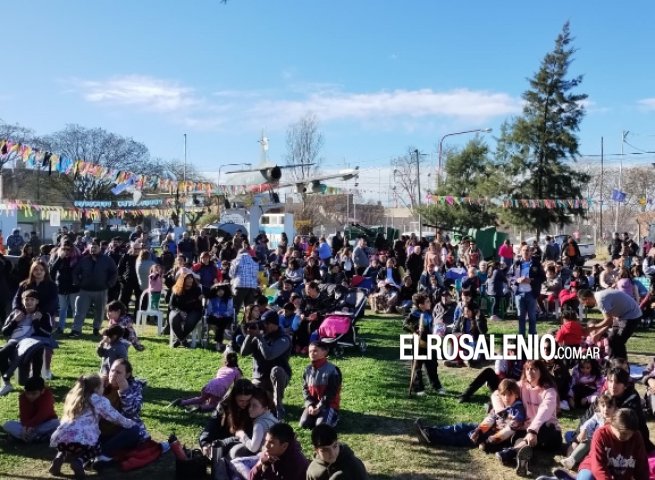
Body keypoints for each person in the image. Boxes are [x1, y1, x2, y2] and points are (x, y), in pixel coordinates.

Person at [48, 374, 135, 480]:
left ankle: (59, 457)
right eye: (102, 386)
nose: (103, 389)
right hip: (84, 435)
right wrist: (129, 423)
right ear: (96, 388)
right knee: (96, 448)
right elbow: (113, 416)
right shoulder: (99, 400)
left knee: (68, 443)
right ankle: (79, 461)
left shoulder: (74, 397)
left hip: (63, 435)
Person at [494, 360, 561, 477]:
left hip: (549, 433)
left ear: (542, 371)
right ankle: (523, 460)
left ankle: (512, 452)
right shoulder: (521, 386)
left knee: (543, 430)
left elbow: (544, 412)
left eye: (534, 369)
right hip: (528, 432)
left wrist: (533, 430)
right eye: (527, 369)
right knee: (517, 437)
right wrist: (501, 410)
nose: (530, 372)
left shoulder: (549, 391)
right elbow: (496, 394)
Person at [240, 310, 292, 420]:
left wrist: (259, 337)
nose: (262, 326)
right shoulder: (261, 334)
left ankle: (278, 405)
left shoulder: (284, 338)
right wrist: (250, 335)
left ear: (274, 324)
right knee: (246, 396)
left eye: (265, 323)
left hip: (278, 377)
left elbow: (269, 355)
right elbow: (243, 352)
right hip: (260, 378)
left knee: (276, 370)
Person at [0, 289, 52, 396]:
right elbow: (5, 332)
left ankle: (36, 383)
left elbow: (47, 334)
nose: (28, 302)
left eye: (32, 299)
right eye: (26, 299)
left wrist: (36, 322)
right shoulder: (16, 312)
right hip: (14, 342)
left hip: (32, 343)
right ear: (22, 300)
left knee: (38, 348)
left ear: (37, 301)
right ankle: (7, 383)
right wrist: (14, 321)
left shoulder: (43, 315)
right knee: (2, 354)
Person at [557, 393, 616, 471]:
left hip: (601, 446)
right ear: (599, 406)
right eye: (603, 406)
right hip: (589, 440)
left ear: (615, 408)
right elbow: (588, 423)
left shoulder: (615, 420)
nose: (606, 409)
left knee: (587, 442)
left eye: (609, 407)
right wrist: (584, 430)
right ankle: (575, 454)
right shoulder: (598, 416)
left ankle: (572, 460)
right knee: (569, 435)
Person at [578, 288, 642, 360]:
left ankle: (621, 365)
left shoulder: (601, 300)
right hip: (621, 316)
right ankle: (613, 362)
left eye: (583, 303)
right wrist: (598, 333)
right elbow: (609, 322)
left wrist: (593, 327)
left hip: (631, 315)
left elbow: (608, 320)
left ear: (586, 299)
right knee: (611, 339)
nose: (585, 306)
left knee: (618, 341)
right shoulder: (599, 296)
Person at [71, 242, 118, 337]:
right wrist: (78, 283)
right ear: (89, 248)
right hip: (85, 290)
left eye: (95, 247)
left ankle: (96, 329)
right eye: (91, 247)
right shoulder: (84, 260)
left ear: (100, 248)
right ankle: (76, 330)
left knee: (100, 312)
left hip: (101, 290)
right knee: (80, 312)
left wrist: (109, 284)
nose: (93, 249)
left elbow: (114, 272)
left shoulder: (107, 260)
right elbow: (75, 272)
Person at [198, 378, 255, 456]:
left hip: (244, 442)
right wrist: (205, 442)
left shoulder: (254, 409)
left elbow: (248, 435)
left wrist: (222, 443)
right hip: (223, 440)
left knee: (235, 453)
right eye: (241, 400)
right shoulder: (224, 406)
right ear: (234, 398)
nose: (245, 404)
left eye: (248, 400)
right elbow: (212, 425)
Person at [169, 351, 242, 412]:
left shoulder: (222, 368)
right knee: (214, 405)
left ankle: (182, 402)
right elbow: (237, 385)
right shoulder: (236, 371)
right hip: (219, 388)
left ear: (226, 360)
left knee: (201, 398)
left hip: (210, 384)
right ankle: (200, 408)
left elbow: (219, 379)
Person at [403, 293, 445, 396]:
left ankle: (436, 385)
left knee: (432, 365)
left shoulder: (428, 312)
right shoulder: (414, 314)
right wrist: (415, 330)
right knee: (417, 366)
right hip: (418, 343)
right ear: (420, 305)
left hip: (429, 342)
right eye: (427, 302)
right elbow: (405, 325)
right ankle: (418, 388)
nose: (430, 303)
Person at [469, 379, 526, 452]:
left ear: (516, 395)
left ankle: (486, 444)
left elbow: (510, 429)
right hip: (495, 431)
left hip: (506, 437)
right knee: (473, 433)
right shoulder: (501, 406)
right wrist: (479, 430)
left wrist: (492, 439)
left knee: (496, 445)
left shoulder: (517, 410)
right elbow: (491, 418)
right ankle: (479, 439)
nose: (506, 398)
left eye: (510, 394)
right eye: (504, 394)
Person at [2, 376, 59, 443]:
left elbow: (43, 414)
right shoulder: (23, 397)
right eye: (28, 393)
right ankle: (36, 437)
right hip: (29, 426)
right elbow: (24, 416)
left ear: (42, 391)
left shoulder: (47, 396)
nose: (30, 396)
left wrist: (29, 426)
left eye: (34, 393)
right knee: (7, 424)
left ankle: (24, 437)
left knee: (57, 423)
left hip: (45, 422)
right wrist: (25, 428)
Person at [300, 341, 342, 429]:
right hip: (313, 404)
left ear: (325, 352)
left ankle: (335, 416)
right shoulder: (307, 370)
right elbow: (305, 389)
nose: (312, 354)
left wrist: (319, 407)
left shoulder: (333, 370)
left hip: (329, 405)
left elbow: (331, 393)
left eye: (315, 351)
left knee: (321, 426)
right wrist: (310, 405)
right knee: (304, 424)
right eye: (310, 351)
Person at [510, 244, 546, 335]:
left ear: (531, 252)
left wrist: (531, 280)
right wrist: (517, 280)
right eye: (524, 250)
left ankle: (532, 335)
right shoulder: (516, 263)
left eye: (527, 250)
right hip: (519, 293)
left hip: (531, 293)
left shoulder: (536, 264)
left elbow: (543, 278)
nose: (525, 252)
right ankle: (521, 336)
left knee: (532, 317)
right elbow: (510, 277)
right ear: (520, 252)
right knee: (521, 317)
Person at [49, 241, 80, 334]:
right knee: (62, 308)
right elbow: (52, 270)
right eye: (64, 249)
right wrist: (59, 258)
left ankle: (75, 328)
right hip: (61, 286)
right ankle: (61, 328)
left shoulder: (76, 258)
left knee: (75, 308)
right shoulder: (57, 256)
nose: (66, 251)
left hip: (73, 286)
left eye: (68, 249)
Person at [168, 273, 203, 347]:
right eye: (188, 278)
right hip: (178, 310)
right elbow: (171, 304)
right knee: (174, 319)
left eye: (191, 278)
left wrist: (200, 298)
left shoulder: (197, 289)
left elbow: (198, 305)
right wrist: (179, 311)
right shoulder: (176, 289)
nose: (190, 280)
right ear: (182, 280)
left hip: (194, 310)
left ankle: (180, 339)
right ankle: (183, 340)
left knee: (190, 320)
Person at [230, 247, 260, 319]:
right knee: (249, 308)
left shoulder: (236, 260)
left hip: (240, 286)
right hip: (252, 287)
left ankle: (232, 325)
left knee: (235, 307)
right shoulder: (254, 262)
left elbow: (231, 274)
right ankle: (248, 325)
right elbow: (255, 275)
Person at [206, 283, 235, 352]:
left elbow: (230, 310)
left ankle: (218, 343)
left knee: (222, 322)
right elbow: (209, 310)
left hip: (226, 317)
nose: (220, 292)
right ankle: (219, 342)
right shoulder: (211, 299)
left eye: (222, 290)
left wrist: (224, 314)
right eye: (219, 290)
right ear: (215, 291)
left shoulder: (228, 299)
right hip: (213, 316)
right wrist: (214, 314)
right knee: (219, 322)